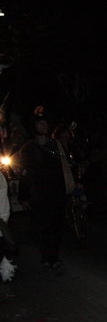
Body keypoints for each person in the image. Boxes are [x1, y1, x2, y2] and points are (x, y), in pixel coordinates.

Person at [17, 107, 67, 273]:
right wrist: (24, 197)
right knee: (44, 226)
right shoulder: (28, 148)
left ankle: (54, 254)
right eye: (40, 123)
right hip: (38, 194)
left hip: (57, 193)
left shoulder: (55, 145)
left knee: (58, 226)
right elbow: (24, 173)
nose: (43, 125)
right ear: (34, 127)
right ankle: (49, 257)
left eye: (45, 122)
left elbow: (65, 168)